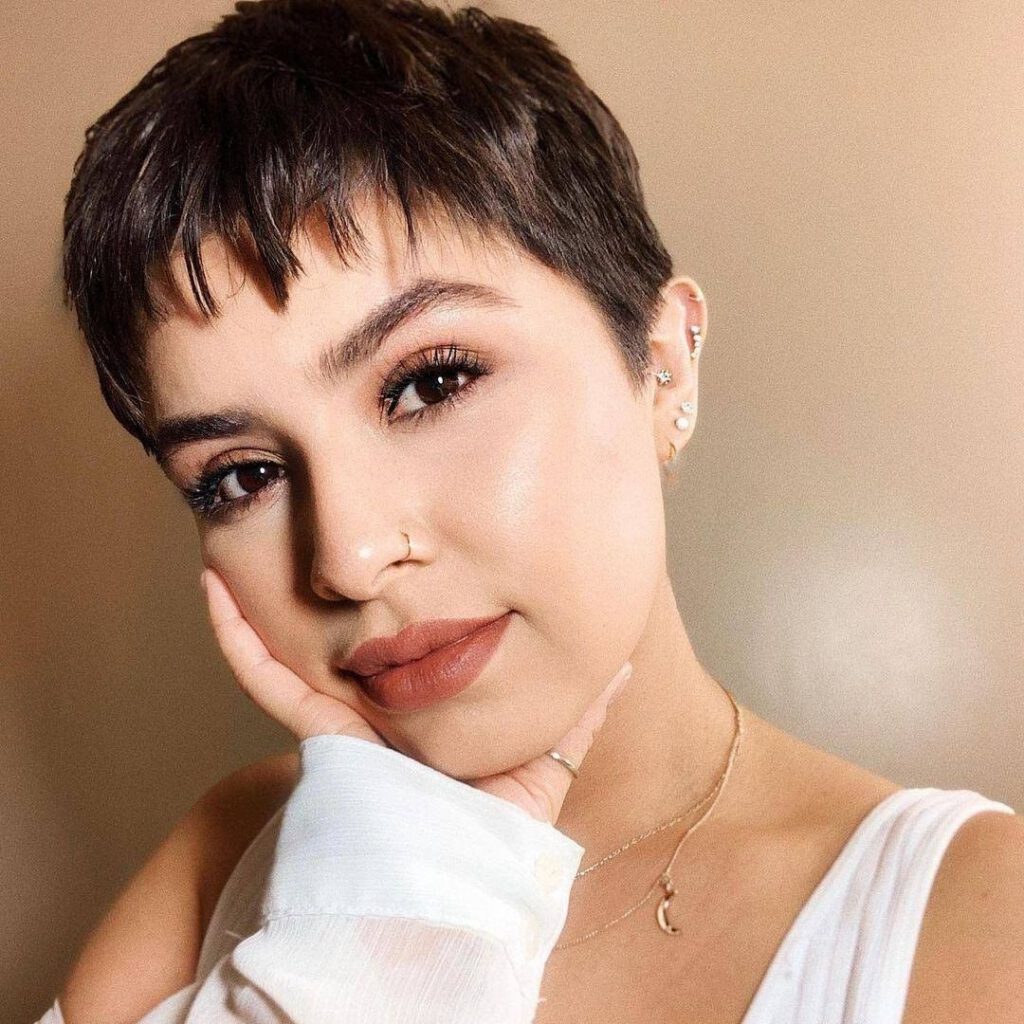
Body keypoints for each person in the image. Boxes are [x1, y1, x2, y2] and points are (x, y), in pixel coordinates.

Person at [37, 0, 1024, 1021]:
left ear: (662, 364)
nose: (348, 556)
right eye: (241, 476)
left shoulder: (981, 933)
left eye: (431, 382)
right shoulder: (226, 853)